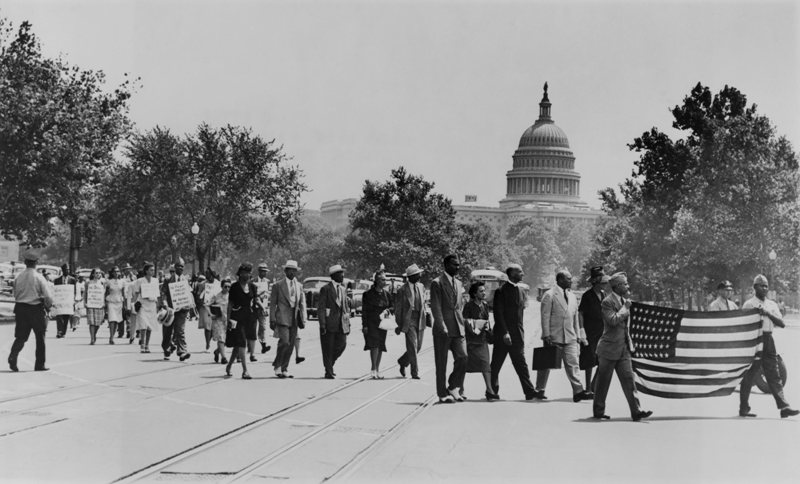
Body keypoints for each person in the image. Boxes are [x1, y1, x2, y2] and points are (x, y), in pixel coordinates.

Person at [593, 272, 652, 421]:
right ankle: (599, 411)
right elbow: (613, 320)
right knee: (603, 383)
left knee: (629, 381)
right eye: (625, 284)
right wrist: (625, 308)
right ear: (617, 286)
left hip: (624, 348)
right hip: (608, 349)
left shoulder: (625, 300)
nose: (627, 286)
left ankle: (636, 411)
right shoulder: (607, 302)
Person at [738, 274, 798, 418]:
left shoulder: (772, 305)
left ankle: (784, 407)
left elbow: (782, 323)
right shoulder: (749, 304)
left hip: (768, 338)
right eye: (761, 285)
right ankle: (744, 408)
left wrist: (768, 314)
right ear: (754, 287)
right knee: (750, 374)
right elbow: (743, 325)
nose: (764, 288)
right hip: (754, 339)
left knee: (774, 374)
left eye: (766, 286)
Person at [536, 270, 591, 402]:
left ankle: (578, 391)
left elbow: (575, 318)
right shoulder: (549, 295)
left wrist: (578, 335)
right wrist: (546, 335)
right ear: (560, 280)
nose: (571, 281)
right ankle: (539, 389)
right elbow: (545, 317)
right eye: (568, 279)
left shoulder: (572, 296)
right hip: (554, 336)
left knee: (573, 363)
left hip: (570, 336)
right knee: (546, 364)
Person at [489, 263, 538, 400]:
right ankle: (492, 391)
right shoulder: (501, 291)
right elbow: (498, 314)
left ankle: (529, 391)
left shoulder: (521, 291)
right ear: (511, 274)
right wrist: (505, 332)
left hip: (517, 336)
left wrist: (521, 334)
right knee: (496, 364)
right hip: (503, 335)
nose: (522, 274)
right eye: (520, 272)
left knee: (521, 364)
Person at [8, 248, 53, 372]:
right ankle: (39, 364)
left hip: (21, 308)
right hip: (35, 309)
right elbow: (48, 296)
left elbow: (15, 293)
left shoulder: (19, 276)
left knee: (21, 336)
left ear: (25, 262)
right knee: (40, 337)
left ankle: (13, 356)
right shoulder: (39, 277)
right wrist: (48, 306)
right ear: (36, 262)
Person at [430, 254, 467, 404]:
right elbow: (436, 306)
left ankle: (453, 386)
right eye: (454, 265)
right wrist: (441, 325)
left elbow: (459, 306)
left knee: (463, 357)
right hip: (443, 329)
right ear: (445, 265)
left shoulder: (458, 283)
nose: (457, 267)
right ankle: (442, 393)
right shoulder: (437, 283)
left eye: (458, 265)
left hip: (458, 327)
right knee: (441, 362)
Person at [269, 260, 306, 378]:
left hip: (294, 318)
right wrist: (272, 318)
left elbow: (302, 304)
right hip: (282, 317)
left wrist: (303, 318)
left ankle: (284, 368)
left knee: (290, 344)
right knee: (284, 342)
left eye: (294, 270)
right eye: (289, 270)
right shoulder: (278, 285)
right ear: (285, 271)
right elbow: (272, 304)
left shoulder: (299, 286)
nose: (292, 272)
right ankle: (277, 366)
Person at [463, 281, 497, 400]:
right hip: (471, 341)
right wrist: (477, 325)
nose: (484, 293)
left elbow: (487, 321)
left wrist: (490, 334)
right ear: (474, 293)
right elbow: (465, 321)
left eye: (484, 291)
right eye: (481, 291)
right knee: (465, 365)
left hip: (482, 340)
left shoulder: (485, 305)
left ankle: (489, 389)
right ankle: (461, 389)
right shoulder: (468, 306)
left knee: (485, 365)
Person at [317, 264, 352, 379]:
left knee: (342, 344)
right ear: (333, 276)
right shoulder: (325, 289)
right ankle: (328, 370)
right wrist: (322, 324)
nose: (342, 275)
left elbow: (345, 308)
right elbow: (321, 308)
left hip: (341, 324)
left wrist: (348, 323)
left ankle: (330, 364)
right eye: (340, 273)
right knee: (328, 347)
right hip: (329, 323)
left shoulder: (343, 289)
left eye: (342, 273)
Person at [578, 266, 609, 393]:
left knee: (603, 360)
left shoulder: (604, 295)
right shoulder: (587, 295)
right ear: (595, 282)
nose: (604, 285)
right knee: (589, 359)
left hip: (602, 331)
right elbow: (581, 313)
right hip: (590, 331)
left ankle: (594, 384)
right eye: (602, 282)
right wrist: (581, 330)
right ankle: (588, 388)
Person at [225, 263, 258, 379]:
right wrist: (227, 319)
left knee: (238, 344)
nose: (245, 275)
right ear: (240, 274)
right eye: (243, 273)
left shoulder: (253, 287)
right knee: (242, 342)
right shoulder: (234, 287)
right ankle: (245, 370)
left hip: (249, 318)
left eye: (247, 273)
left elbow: (255, 300)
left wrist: (262, 309)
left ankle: (229, 366)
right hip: (236, 318)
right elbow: (230, 304)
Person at [395, 264, 427, 379]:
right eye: (417, 274)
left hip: (420, 319)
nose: (419, 276)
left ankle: (403, 361)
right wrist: (399, 324)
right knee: (412, 346)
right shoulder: (402, 290)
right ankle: (415, 372)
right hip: (409, 320)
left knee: (418, 347)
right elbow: (398, 310)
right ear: (411, 276)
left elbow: (424, 304)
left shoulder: (421, 287)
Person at [361, 270, 393, 379]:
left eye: (385, 279)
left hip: (383, 324)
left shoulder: (387, 294)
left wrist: (388, 311)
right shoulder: (368, 294)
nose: (385, 281)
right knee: (374, 345)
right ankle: (373, 368)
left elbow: (393, 307)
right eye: (382, 279)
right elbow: (364, 311)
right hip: (371, 323)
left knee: (380, 345)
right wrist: (364, 325)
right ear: (377, 281)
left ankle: (378, 369)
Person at [160, 258, 191, 362]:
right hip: (170, 309)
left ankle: (182, 352)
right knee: (167, 331)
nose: (180, 268)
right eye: (178, 266)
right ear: (175, 267)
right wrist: (164, 303)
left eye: (182, 266)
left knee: (180, 331)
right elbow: (163, 293)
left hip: (182, 310)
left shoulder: (186, 280)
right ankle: (167, 349)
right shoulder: (168, 279)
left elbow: (189, 294)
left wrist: (188, 305)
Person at [131, 262, 160, 353]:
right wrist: (133, 304)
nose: (152, 271)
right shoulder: (140, 281)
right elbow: (136, 293)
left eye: (153, 270)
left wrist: (159, 305)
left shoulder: (155, 280)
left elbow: (157, 294)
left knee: (149, 326)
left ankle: (147, 345)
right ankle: (142, 344)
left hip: (152, 305)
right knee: (143, 324)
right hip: (143, 304)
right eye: (151, 270)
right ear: (146, 271)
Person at [209, 278, 230, 365]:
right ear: (221, 287)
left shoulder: (232, 296)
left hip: (228, 320)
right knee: (221, 338)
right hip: (218, 320)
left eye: (229, 287)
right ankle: (224, 357)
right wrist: (211, 314)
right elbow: (207, 305)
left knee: (227, 340)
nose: (227, 288)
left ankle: (217, 351)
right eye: (225, 286)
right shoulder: (216, 296)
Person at [254, 263, 273, 356]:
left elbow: (268, 294)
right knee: (252, 326)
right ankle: (250, 346)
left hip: (263, 307)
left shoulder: (268, 281)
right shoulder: (253, 281)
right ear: (259, 272)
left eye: (265, 272)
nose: (264, 273)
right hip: (254, 307)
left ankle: (263, 344)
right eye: (262, 271)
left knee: (263, 327)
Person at [53, 264, 76, 338]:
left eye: (68, 269)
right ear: (62, 270)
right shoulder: (57, 280)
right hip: (60, 301)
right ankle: (59, 331)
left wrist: (74, 300)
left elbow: (74, 291)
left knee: (66, 317)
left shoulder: (72, 280)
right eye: (66, 269)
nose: (67, 271)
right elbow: (55, 291)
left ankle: (63, 332)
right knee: (59, 316)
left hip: (68, 302)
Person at [84, 268, 106, 345]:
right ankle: (92, 338)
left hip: (99, 305)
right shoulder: (88, 282)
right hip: (91, 304)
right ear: (93, 274)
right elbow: (85, 293)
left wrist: (104, 302)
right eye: (96, 273)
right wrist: (85, 302)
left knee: (98, 322)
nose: (98, 274)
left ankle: (94, 334)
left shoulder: (103, 283)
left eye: (99, 273)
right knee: (91, 322)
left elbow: (104, 293)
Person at [105, 266, 126, 345]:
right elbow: (106, 293)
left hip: (119, 302)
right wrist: (105, 303)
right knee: (111, 320)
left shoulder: (122, 282)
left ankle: (112, 335)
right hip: (111, 302)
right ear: (112, 273)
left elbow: (123, 294)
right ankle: (111, 337)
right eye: (115, 272)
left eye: (118, 271)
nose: (116, 273)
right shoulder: (109, 282)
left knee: (117, 320)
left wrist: (124, 305)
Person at [193, 274, 213, 351]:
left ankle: (209, 341)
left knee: (213, 327)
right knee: (207, 326)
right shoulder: (202, 284)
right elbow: (198, 295)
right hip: (205, 307)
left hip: (215, 306)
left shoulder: (217, 284)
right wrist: (201, 301)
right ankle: (207, 343)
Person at [121, 263, 137, 342]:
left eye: (129, 269)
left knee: (133, 315)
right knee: (127, 315)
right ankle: (128, 329)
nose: (128, 270)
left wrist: (132, 278)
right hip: (126, 297)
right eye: (126, 269)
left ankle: (131, 331)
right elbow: (122, 289)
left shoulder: (134, 277)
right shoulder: (122, 278)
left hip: (133, 298)